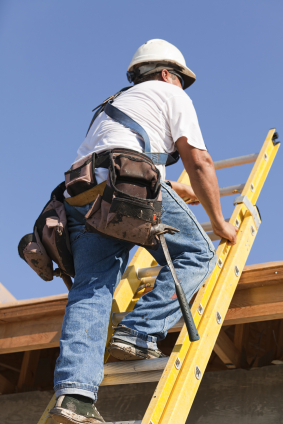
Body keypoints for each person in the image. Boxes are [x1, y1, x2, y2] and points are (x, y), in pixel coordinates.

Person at [50, 39, 238, 424]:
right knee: (198, 252)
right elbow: (199, 160)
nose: (182, 88)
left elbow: (123, 153)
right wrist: (220, 223)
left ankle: (75, 398)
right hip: (126, 188)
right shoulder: (171, 95)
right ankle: (139, 330)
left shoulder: (115, 105)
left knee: (92, 291)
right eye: (181, 80)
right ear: (168, 73)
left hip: (82, 195)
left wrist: (179, 189)